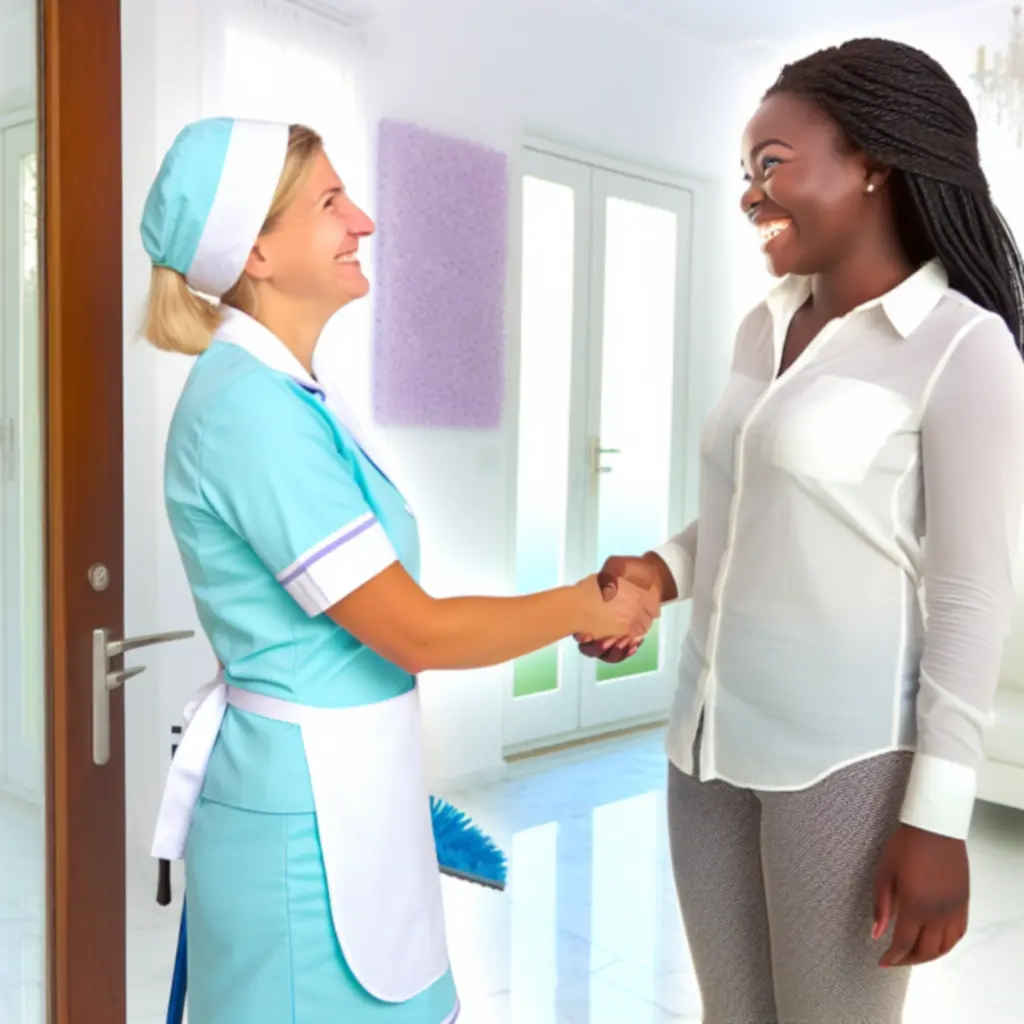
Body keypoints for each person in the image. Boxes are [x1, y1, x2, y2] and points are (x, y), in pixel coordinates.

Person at [143, 116, 656, 1024]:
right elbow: (411, 629)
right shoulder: (248, 413)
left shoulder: (295, 395)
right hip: (303, 830)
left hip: (353, 797)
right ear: (257, 250)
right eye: (332, 201)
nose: (365, 221)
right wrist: (590, 601)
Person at [578, 38, 1024, 1024]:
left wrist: (937, 818)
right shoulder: (763, 322)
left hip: (845, 767)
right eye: (745, 173)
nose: (750, 194)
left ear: (872, 163)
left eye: (771, 164)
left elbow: (968, 594)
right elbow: (750, 509)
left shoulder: (964, 347)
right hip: (704, 748)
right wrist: (660, 570)